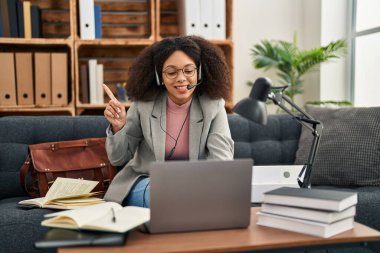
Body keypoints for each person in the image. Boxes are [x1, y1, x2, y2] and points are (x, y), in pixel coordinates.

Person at [103, 35, 234, 207]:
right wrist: (118, 126)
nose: (181, 78)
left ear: (199, 72)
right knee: (161, 195)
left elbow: (222, 162)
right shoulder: (143, 105)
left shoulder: (213, 106)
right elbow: (118, 159)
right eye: (172, 72)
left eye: (189, 71)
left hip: (196, 186)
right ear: (159, 76)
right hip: (148, 182)